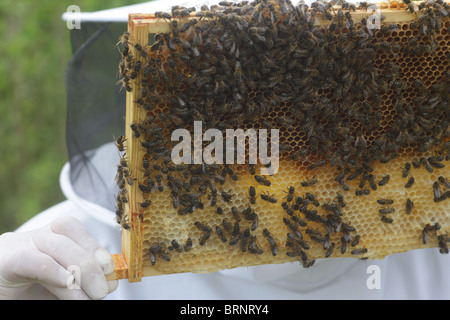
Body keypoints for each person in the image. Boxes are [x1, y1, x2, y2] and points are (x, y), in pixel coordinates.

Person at [1, 0, 450, 301]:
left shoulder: (431, 251)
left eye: (310, 98)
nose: (272, 139)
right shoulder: (66, 249)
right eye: (245, 96)